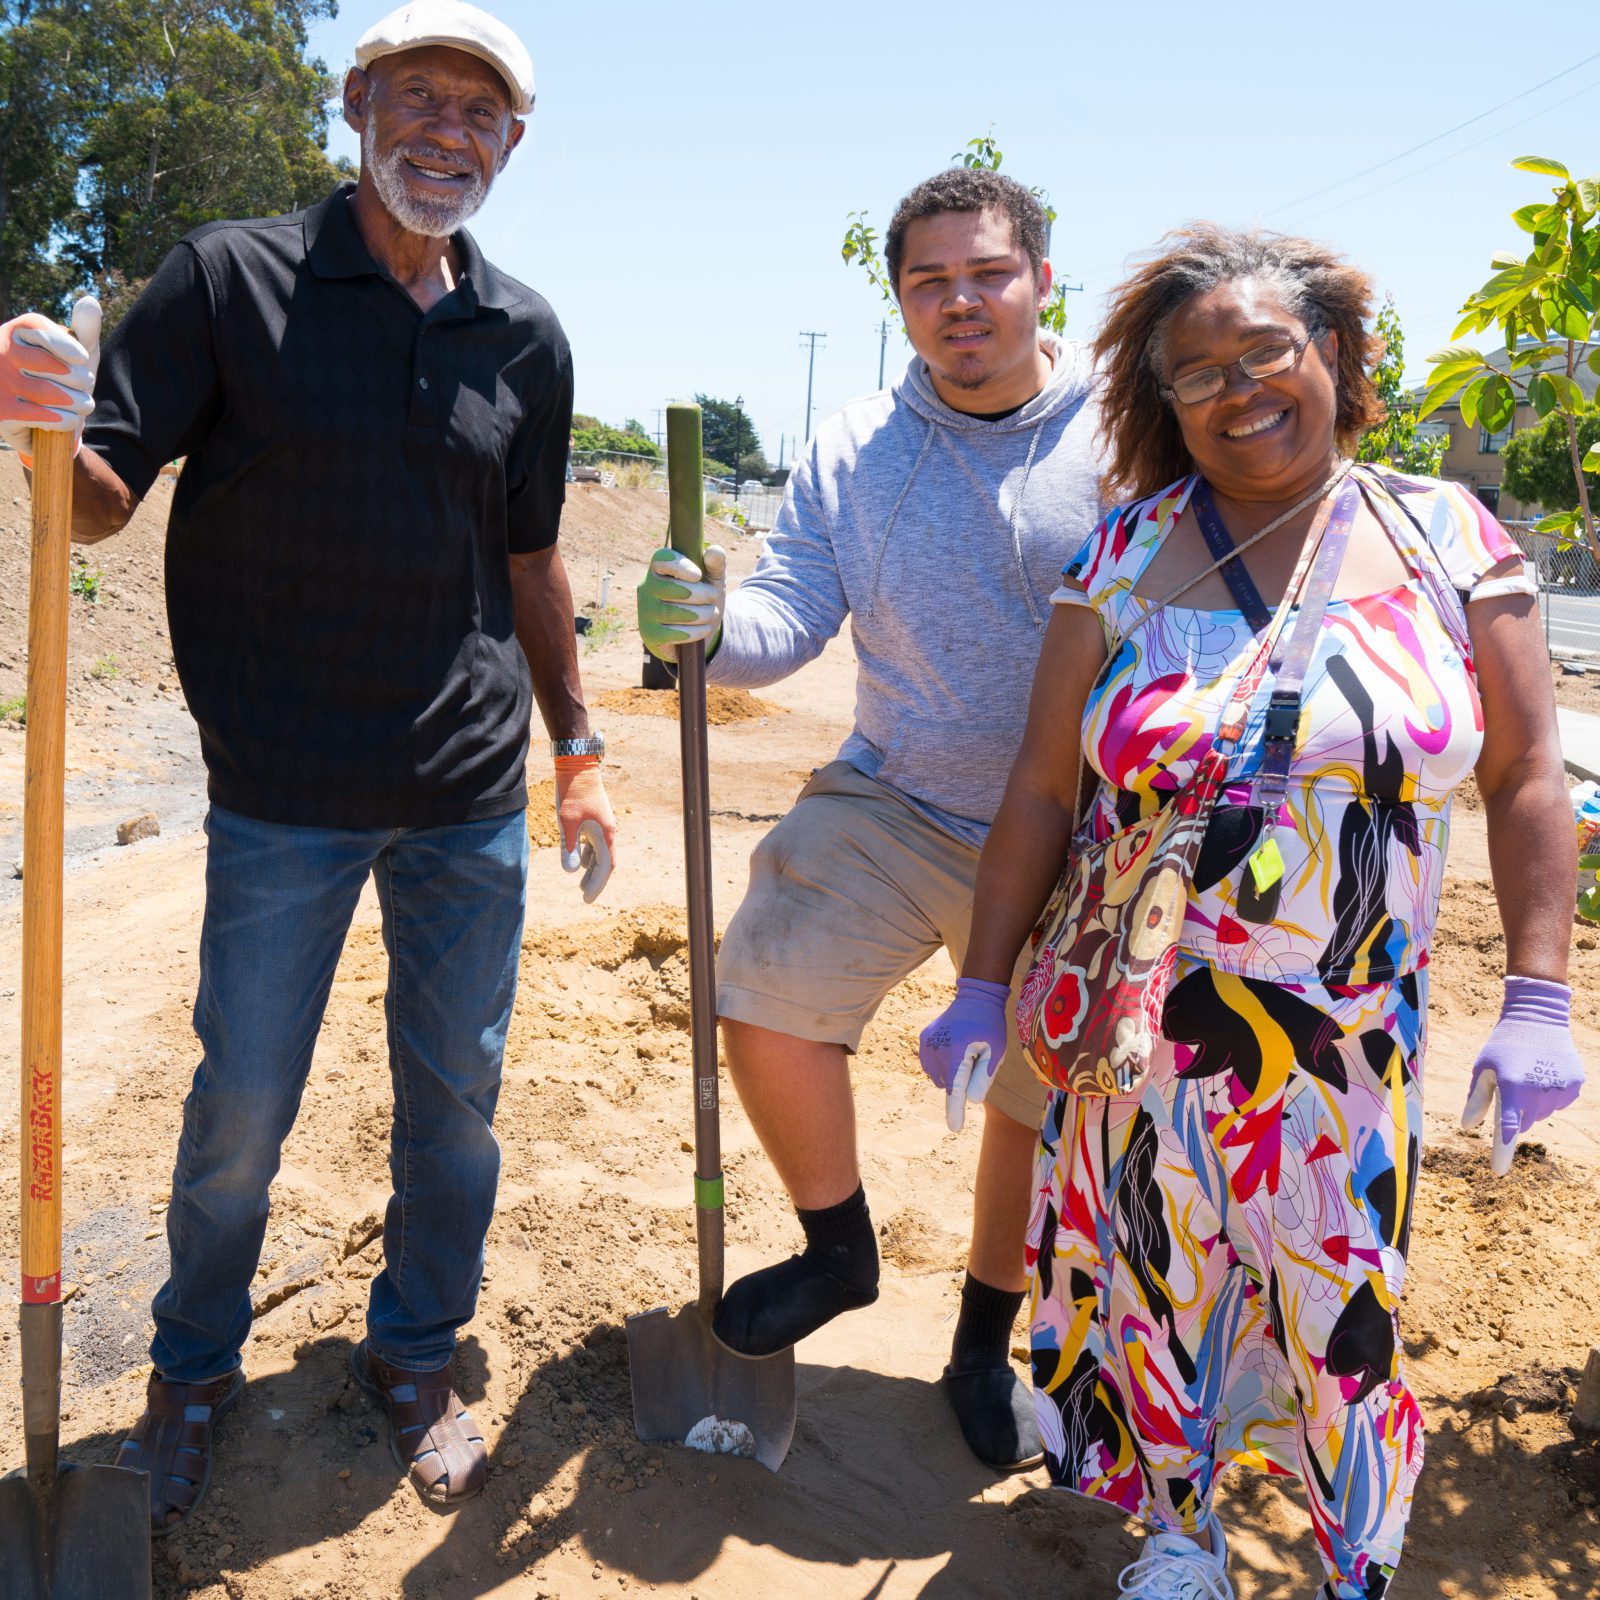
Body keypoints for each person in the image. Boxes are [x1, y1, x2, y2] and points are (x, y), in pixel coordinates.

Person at [0, 0, 615, 1529]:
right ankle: (192, 1365)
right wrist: (39, 425)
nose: (447, 133)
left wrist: (582, 745)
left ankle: (417, 1349)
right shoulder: (228, 278)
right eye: (420, 97)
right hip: (279, 786)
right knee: (242, 1107)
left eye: (479, 114)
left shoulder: (523, 334)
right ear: (357, 104)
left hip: (466, 795)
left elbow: (532, 557)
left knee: (456, 1102)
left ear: (513, 145)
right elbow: (97, 502)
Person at [920, 223, 1586, 1599]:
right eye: (1197, 370)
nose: (1237, 387)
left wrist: (1537, 995)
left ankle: (1352, 1561)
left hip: (1351, 1039)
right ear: (1166, 402)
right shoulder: (1126, 550)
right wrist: (981, 985)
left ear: (1338, 356)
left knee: (1336, 1304)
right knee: (1156, 1280)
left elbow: (1526, 778)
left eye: (1267, 350)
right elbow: (1044, 792)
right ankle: (1180, 1536)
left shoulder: (1445, 535)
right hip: (1143, 1033)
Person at [635, 167, 1103, 1472]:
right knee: (764, 983)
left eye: (987, 274)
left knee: (1033, 1097)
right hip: (897, 799)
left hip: (1085, 837)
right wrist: (708, 629)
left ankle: (980, 1343)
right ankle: (838, 1251)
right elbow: (786, 619)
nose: (960, 303)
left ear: (1042, 280)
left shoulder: (1129, 433)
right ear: (900, 300)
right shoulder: (854, 451)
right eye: (928, 283)